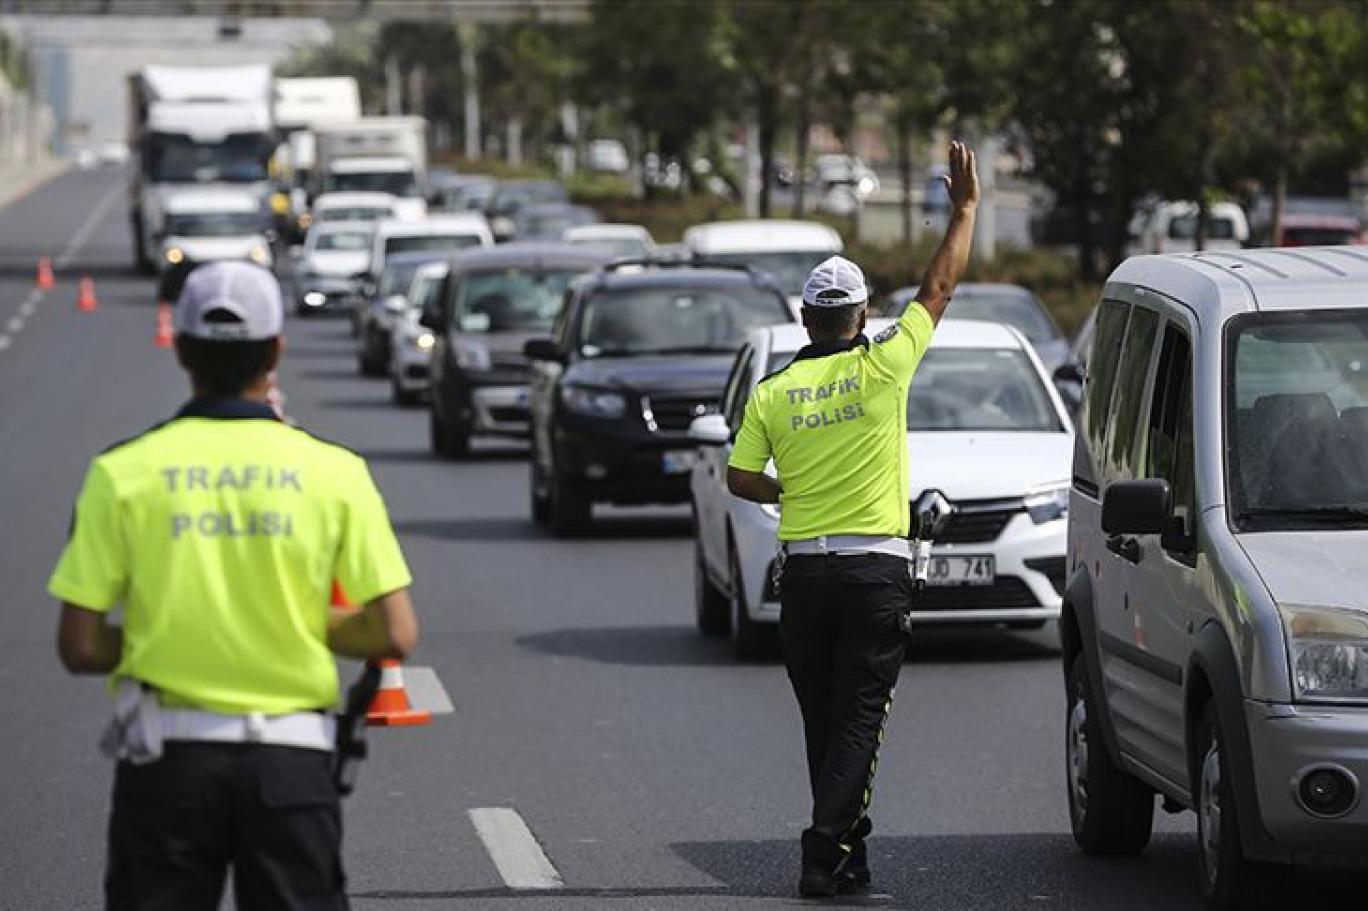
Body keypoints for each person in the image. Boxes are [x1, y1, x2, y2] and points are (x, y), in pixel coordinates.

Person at [50, 261, 419, 911]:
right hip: (291, 764)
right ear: (276, 350)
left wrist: (164, 636)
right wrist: (302, 627)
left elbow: (78, 645)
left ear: (182, 350)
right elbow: (394, 631)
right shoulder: (335, 472)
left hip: (166, 764)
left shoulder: (122, 473)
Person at [726, 141, 979, 898]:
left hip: (803, 572)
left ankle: (847, 852)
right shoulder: (884, 365)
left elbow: (739, 477)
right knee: (859, 722)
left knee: (826, 722)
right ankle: (819, 850)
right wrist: (965, 209)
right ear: (862, 315)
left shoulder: (774, 391)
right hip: (875, 573)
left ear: (806, 318)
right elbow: (938, 286)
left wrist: (788, 490)